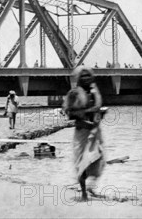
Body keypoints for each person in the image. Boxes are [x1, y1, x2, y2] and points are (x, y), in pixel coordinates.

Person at [62, 67, 105, 201]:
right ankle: (84, 193)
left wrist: (98, 113)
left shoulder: (93, 92)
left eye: (88, 76)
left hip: (94, 132)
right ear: (79, 78)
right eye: (83, 76)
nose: (86, 78)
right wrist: (87, 112)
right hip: (81, 132)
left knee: (98, 160)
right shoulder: (74, 93)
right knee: (82, 163)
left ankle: (91, 188)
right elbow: (69, 112)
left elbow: (98, 108)